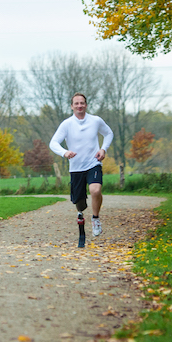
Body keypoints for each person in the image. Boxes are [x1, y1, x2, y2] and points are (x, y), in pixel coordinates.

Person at [49, 93, 114, 238]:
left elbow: (109, 133)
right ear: (72, 106)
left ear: (86, 105)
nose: (80, 106)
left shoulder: (95, 121)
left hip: (93, 163)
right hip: (76, 167)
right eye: (76, 103)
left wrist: (103, 149)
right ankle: (81, 212)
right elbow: (53, 143)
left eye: (82, 103)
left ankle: (95, 219)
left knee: (95, 190)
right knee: (79, 203)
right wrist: (64, 152)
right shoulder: (67, 124)